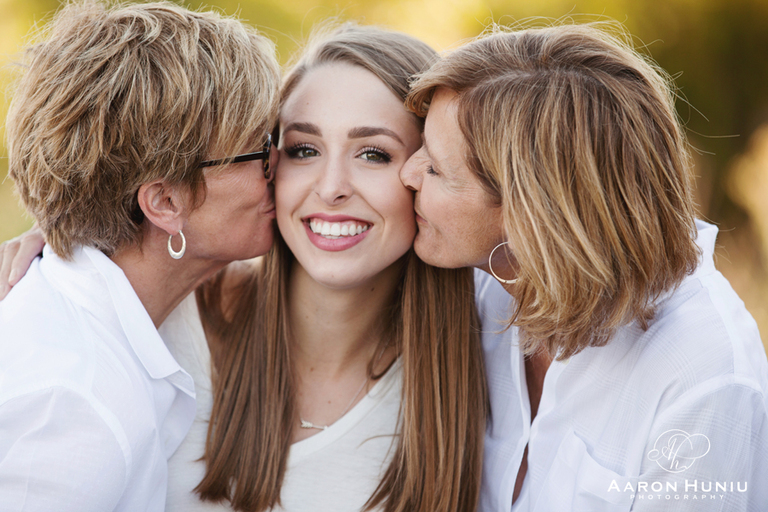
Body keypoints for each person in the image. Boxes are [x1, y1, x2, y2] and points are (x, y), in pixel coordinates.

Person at [0, 24, 489, 512]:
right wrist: (66, 238)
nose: (331, 188)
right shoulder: (154, 323)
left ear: (427, 171)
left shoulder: (490, 345)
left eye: (374, 154)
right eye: (303, 150)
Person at [400, 23, 768, 511]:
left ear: (531, 213)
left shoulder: (703, 376)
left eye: (435, 169)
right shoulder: (479, 285)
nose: (407, 173)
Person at [0, 2, 280, 510]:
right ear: (165, 203)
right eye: (260, 149)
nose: (281, 165)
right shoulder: (72, 408)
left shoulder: (88, 315)